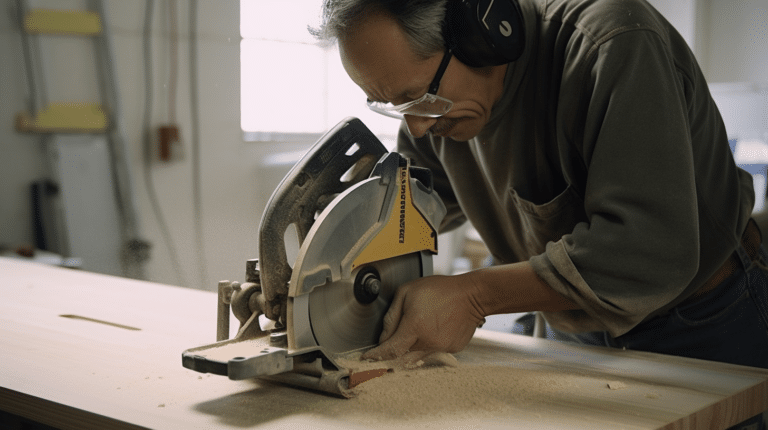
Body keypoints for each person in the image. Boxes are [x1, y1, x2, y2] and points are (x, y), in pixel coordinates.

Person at [311, 0, 768, 378]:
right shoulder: (434, 112)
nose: (416, 126)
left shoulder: (610, 44)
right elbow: (421, 206)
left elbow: (649, 252)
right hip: (569, 324)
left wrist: (472, 294)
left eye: (419, 96)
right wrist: (343, 233)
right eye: (394, 105)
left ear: (482, 32)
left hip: (704, 318)